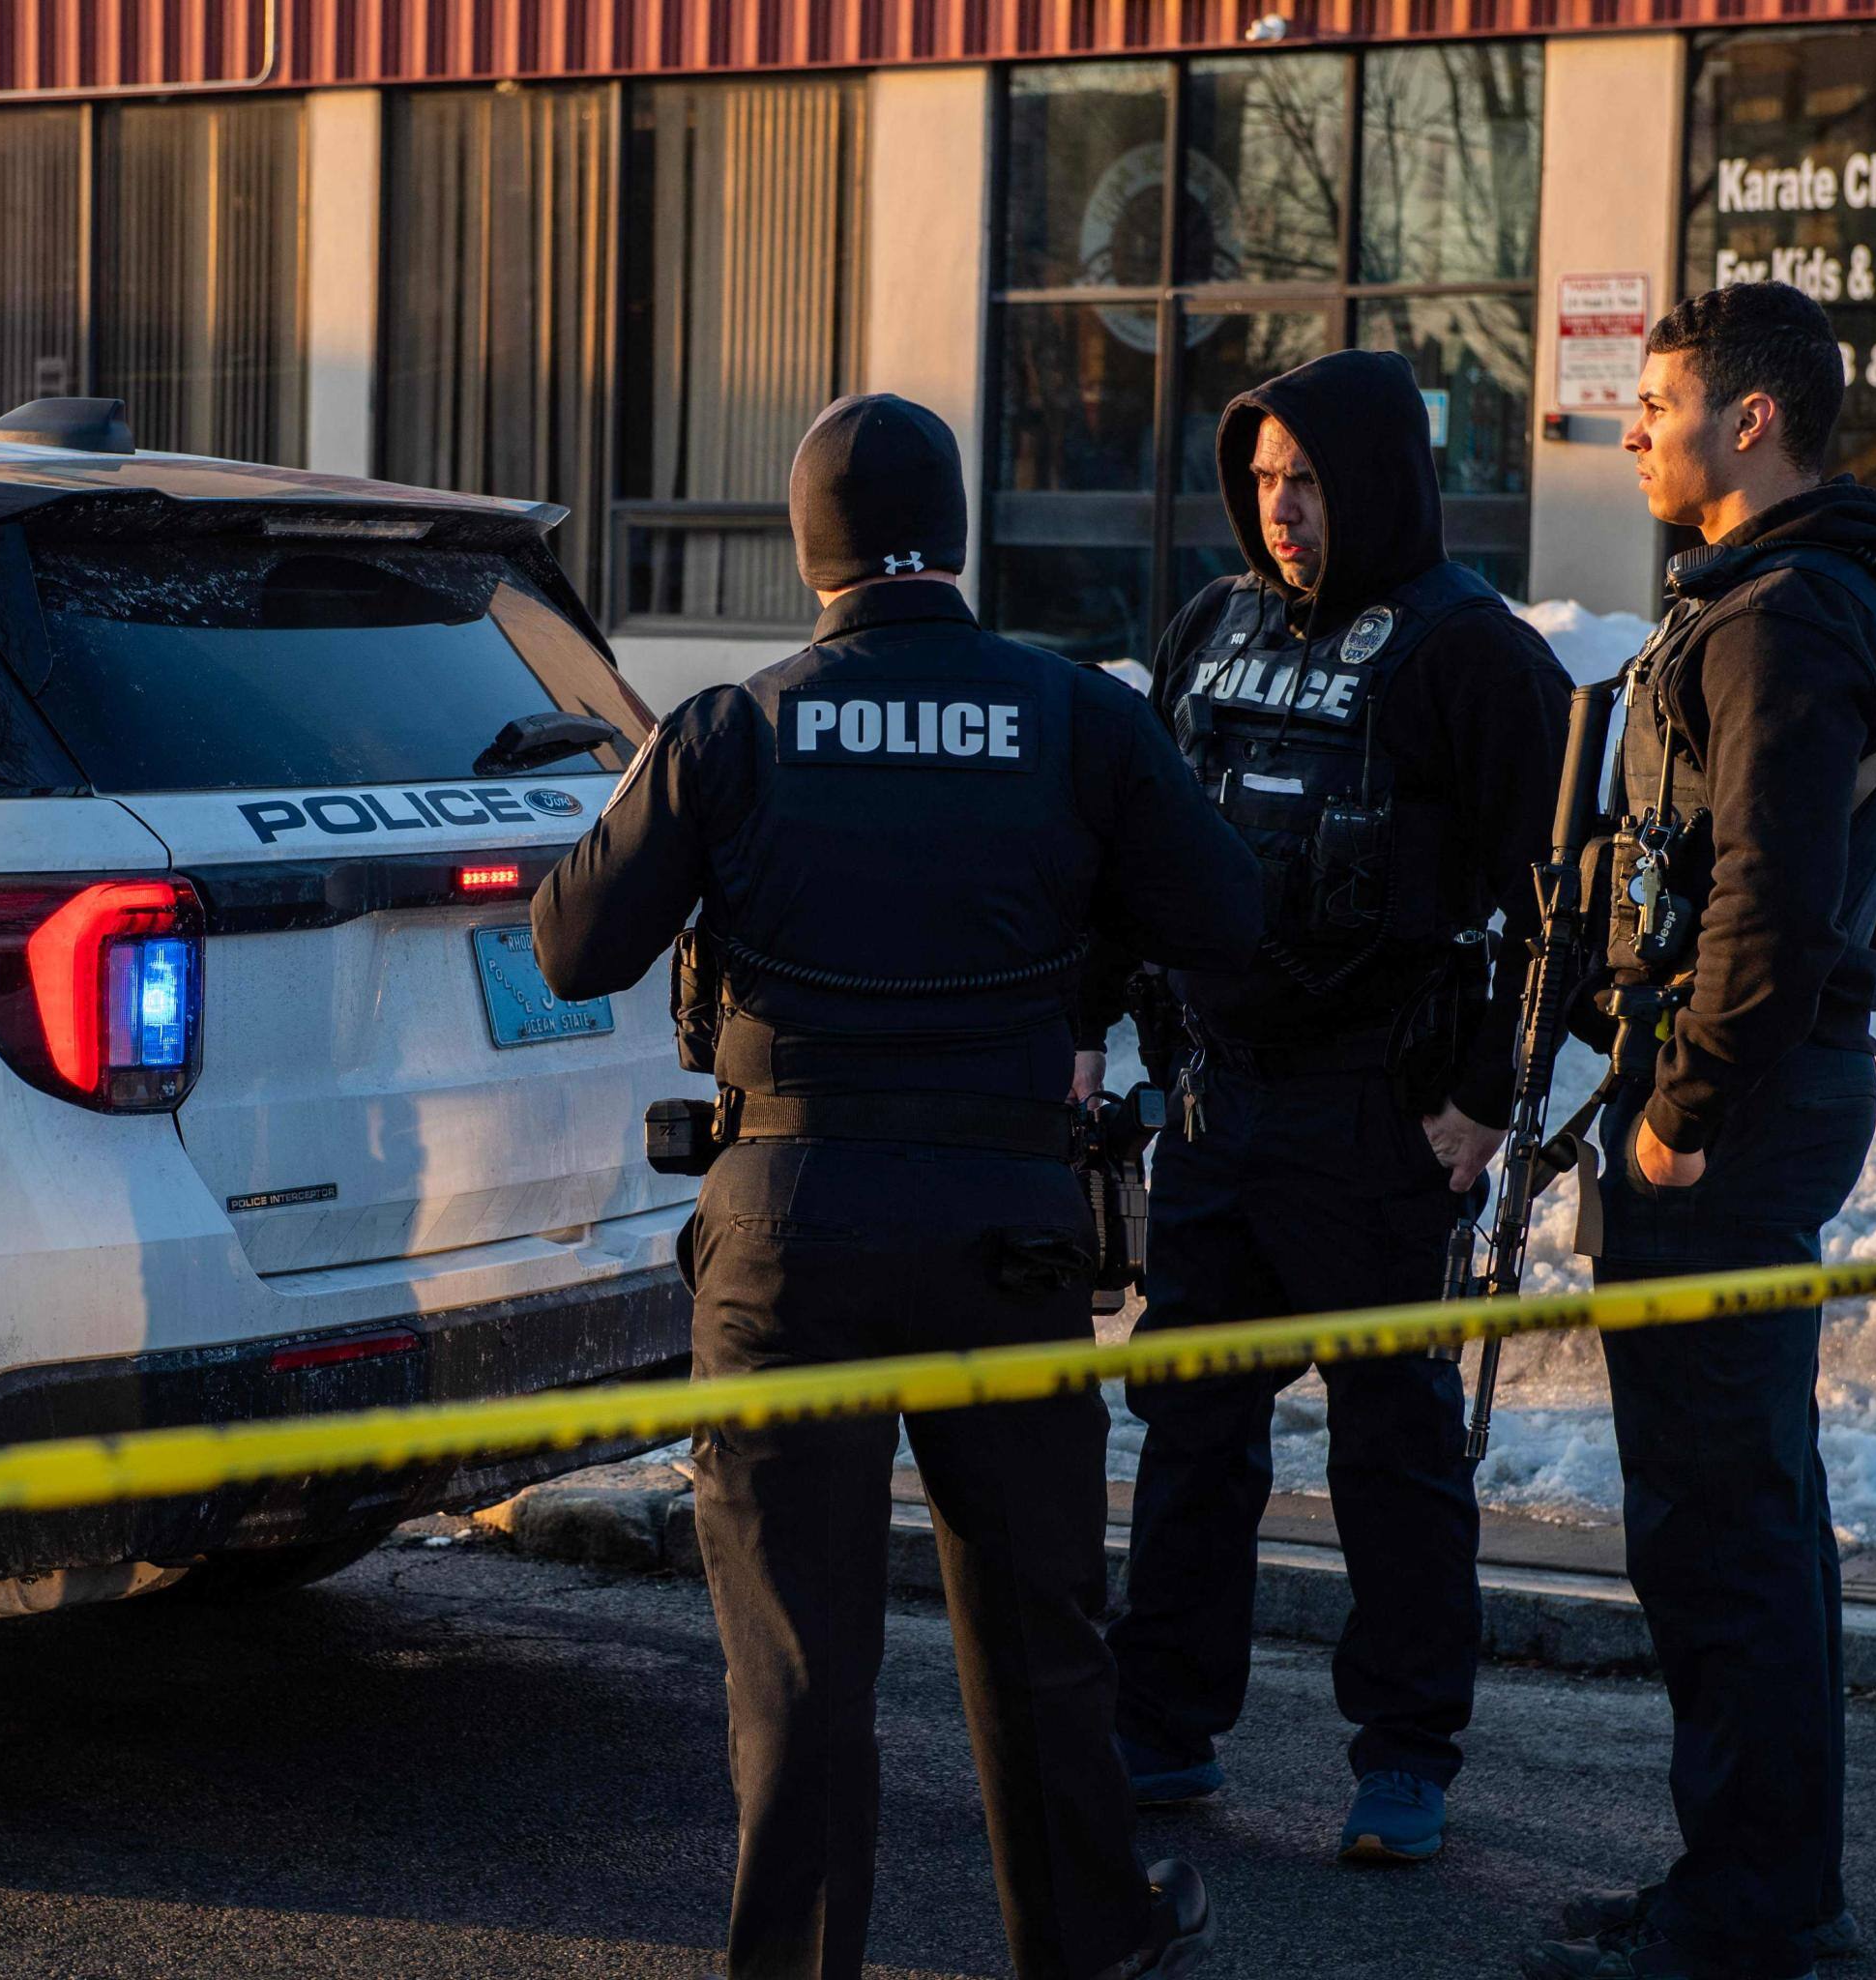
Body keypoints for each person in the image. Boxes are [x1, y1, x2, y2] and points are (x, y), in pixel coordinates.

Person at [533, 393, 1262, 1980]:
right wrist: (1081, 991)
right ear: (958, 538)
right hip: (1005, 1226)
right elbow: (1227, 916)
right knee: (1035, 1631)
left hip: (789, 1226)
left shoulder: (734, 723)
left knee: (799, 1659)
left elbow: (574, 941)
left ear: (812, 554)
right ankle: (1088, 1943)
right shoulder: (1073, 714)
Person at [1083, 349, 1570, 1863]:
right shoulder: (1209, 628)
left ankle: (1404, 1756)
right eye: (1264, 479)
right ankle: (1157, 1731)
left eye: (1309, 480)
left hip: (1380, 1118)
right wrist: (1096, 1030)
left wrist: (1488, 1100)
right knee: (1193, 1429)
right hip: (1222, 1112)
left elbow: (1562, 902)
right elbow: (1134, 845)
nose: (1282, 509)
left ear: (1376, 480)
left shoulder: (1470, 654)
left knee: (1395, 1448)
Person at [1520, 282, 1876, 1980]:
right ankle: (1752, 1883)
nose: (1632, 427)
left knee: (1724, 1528)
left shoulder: (1781, 615)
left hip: (1736, 1109)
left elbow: (1770, 898)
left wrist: (1682, 1115)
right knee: (1738, 1515)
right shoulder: (1780, 603)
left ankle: (1757, 1909)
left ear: (1751, 421)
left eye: (1661, 397)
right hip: (1749, 1092)